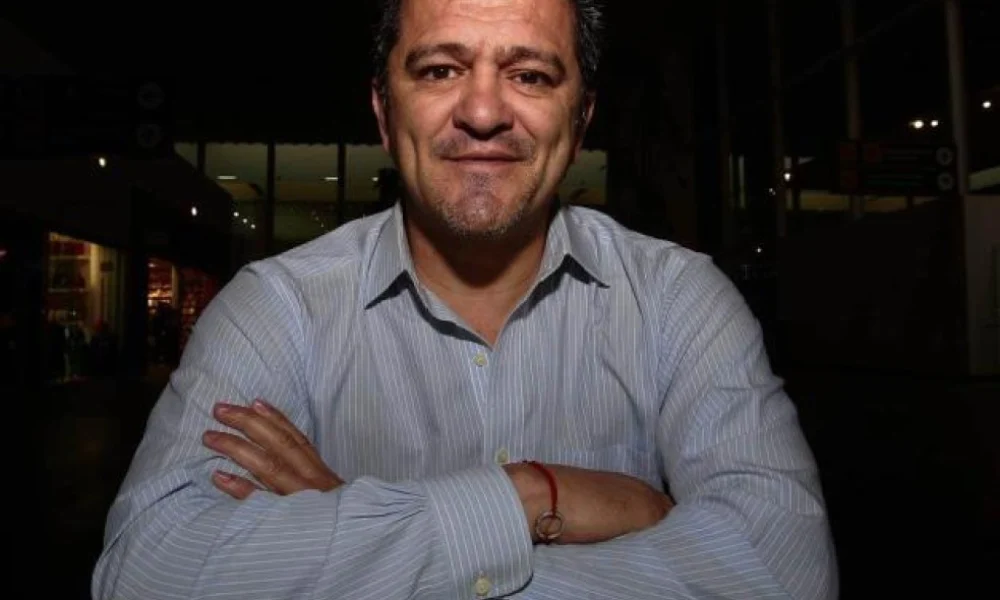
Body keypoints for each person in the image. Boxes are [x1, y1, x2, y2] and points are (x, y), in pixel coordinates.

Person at [92, 0, 838, 598]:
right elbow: (147, 573)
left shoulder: (679, 301)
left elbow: (785, 572)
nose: (483, 112)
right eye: (441, 69)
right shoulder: (276, 309)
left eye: (531, 76)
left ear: (581, 121)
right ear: (385, 113)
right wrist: (527, 499)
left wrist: (364, 536)